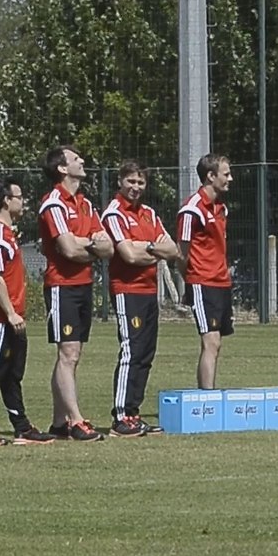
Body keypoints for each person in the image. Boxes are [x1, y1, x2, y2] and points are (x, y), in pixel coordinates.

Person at [0, 177, 55, 446]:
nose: (23, 201)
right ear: (6, 200)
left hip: (15, 318)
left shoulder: (9, 234)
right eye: (19, 196)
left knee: (12, 374)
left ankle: (21, 425)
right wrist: (10, 313)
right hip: (0, 320)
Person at [38, 145, 113, 441]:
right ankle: (76, 420)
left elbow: (108, 248)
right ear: (62, 168)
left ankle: (59, 423)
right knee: (68, 353)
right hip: (62, 286)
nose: (82, 161)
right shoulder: (53, 203)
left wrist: (89, 247)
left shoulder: (86, 204)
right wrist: (91, 245)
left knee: (73, 354)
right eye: (75, 159)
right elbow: (67, 249)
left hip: (83, 284)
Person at [100, 160, 180, 436]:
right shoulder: (114, 214)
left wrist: (146, 247)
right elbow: (129, 256)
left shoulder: (148, 213)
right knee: (131, 350)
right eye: (131, 181)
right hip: (127, 290)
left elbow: (172, 250)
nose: (136, 187)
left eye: (140, 182)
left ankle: (134, 413)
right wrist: (151, 249)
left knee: (146, 353)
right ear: (120, 182)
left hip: (149, 291)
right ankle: (120, 416)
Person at [177, 153, 233, 389]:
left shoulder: (221, 208)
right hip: (202, 282)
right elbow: (181, 252)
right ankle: (206, 398)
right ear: (210, 176)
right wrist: (190, 281)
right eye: (226, 174)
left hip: (222, 281)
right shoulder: (192, 210)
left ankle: (208, 394)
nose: (231, 178)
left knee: (217, 342)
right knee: (209, 341)